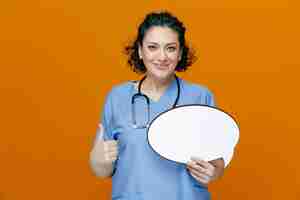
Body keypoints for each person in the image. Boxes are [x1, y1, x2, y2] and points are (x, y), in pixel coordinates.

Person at [89, 11, 224, 200]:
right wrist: (97, 161)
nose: (162, 57)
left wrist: (213, 172)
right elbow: (103, 169)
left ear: (180, 53)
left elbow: (217, 162)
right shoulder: (117, 97)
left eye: (170, 48)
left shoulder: (200, 96)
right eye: (153, 47)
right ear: (140, 51)